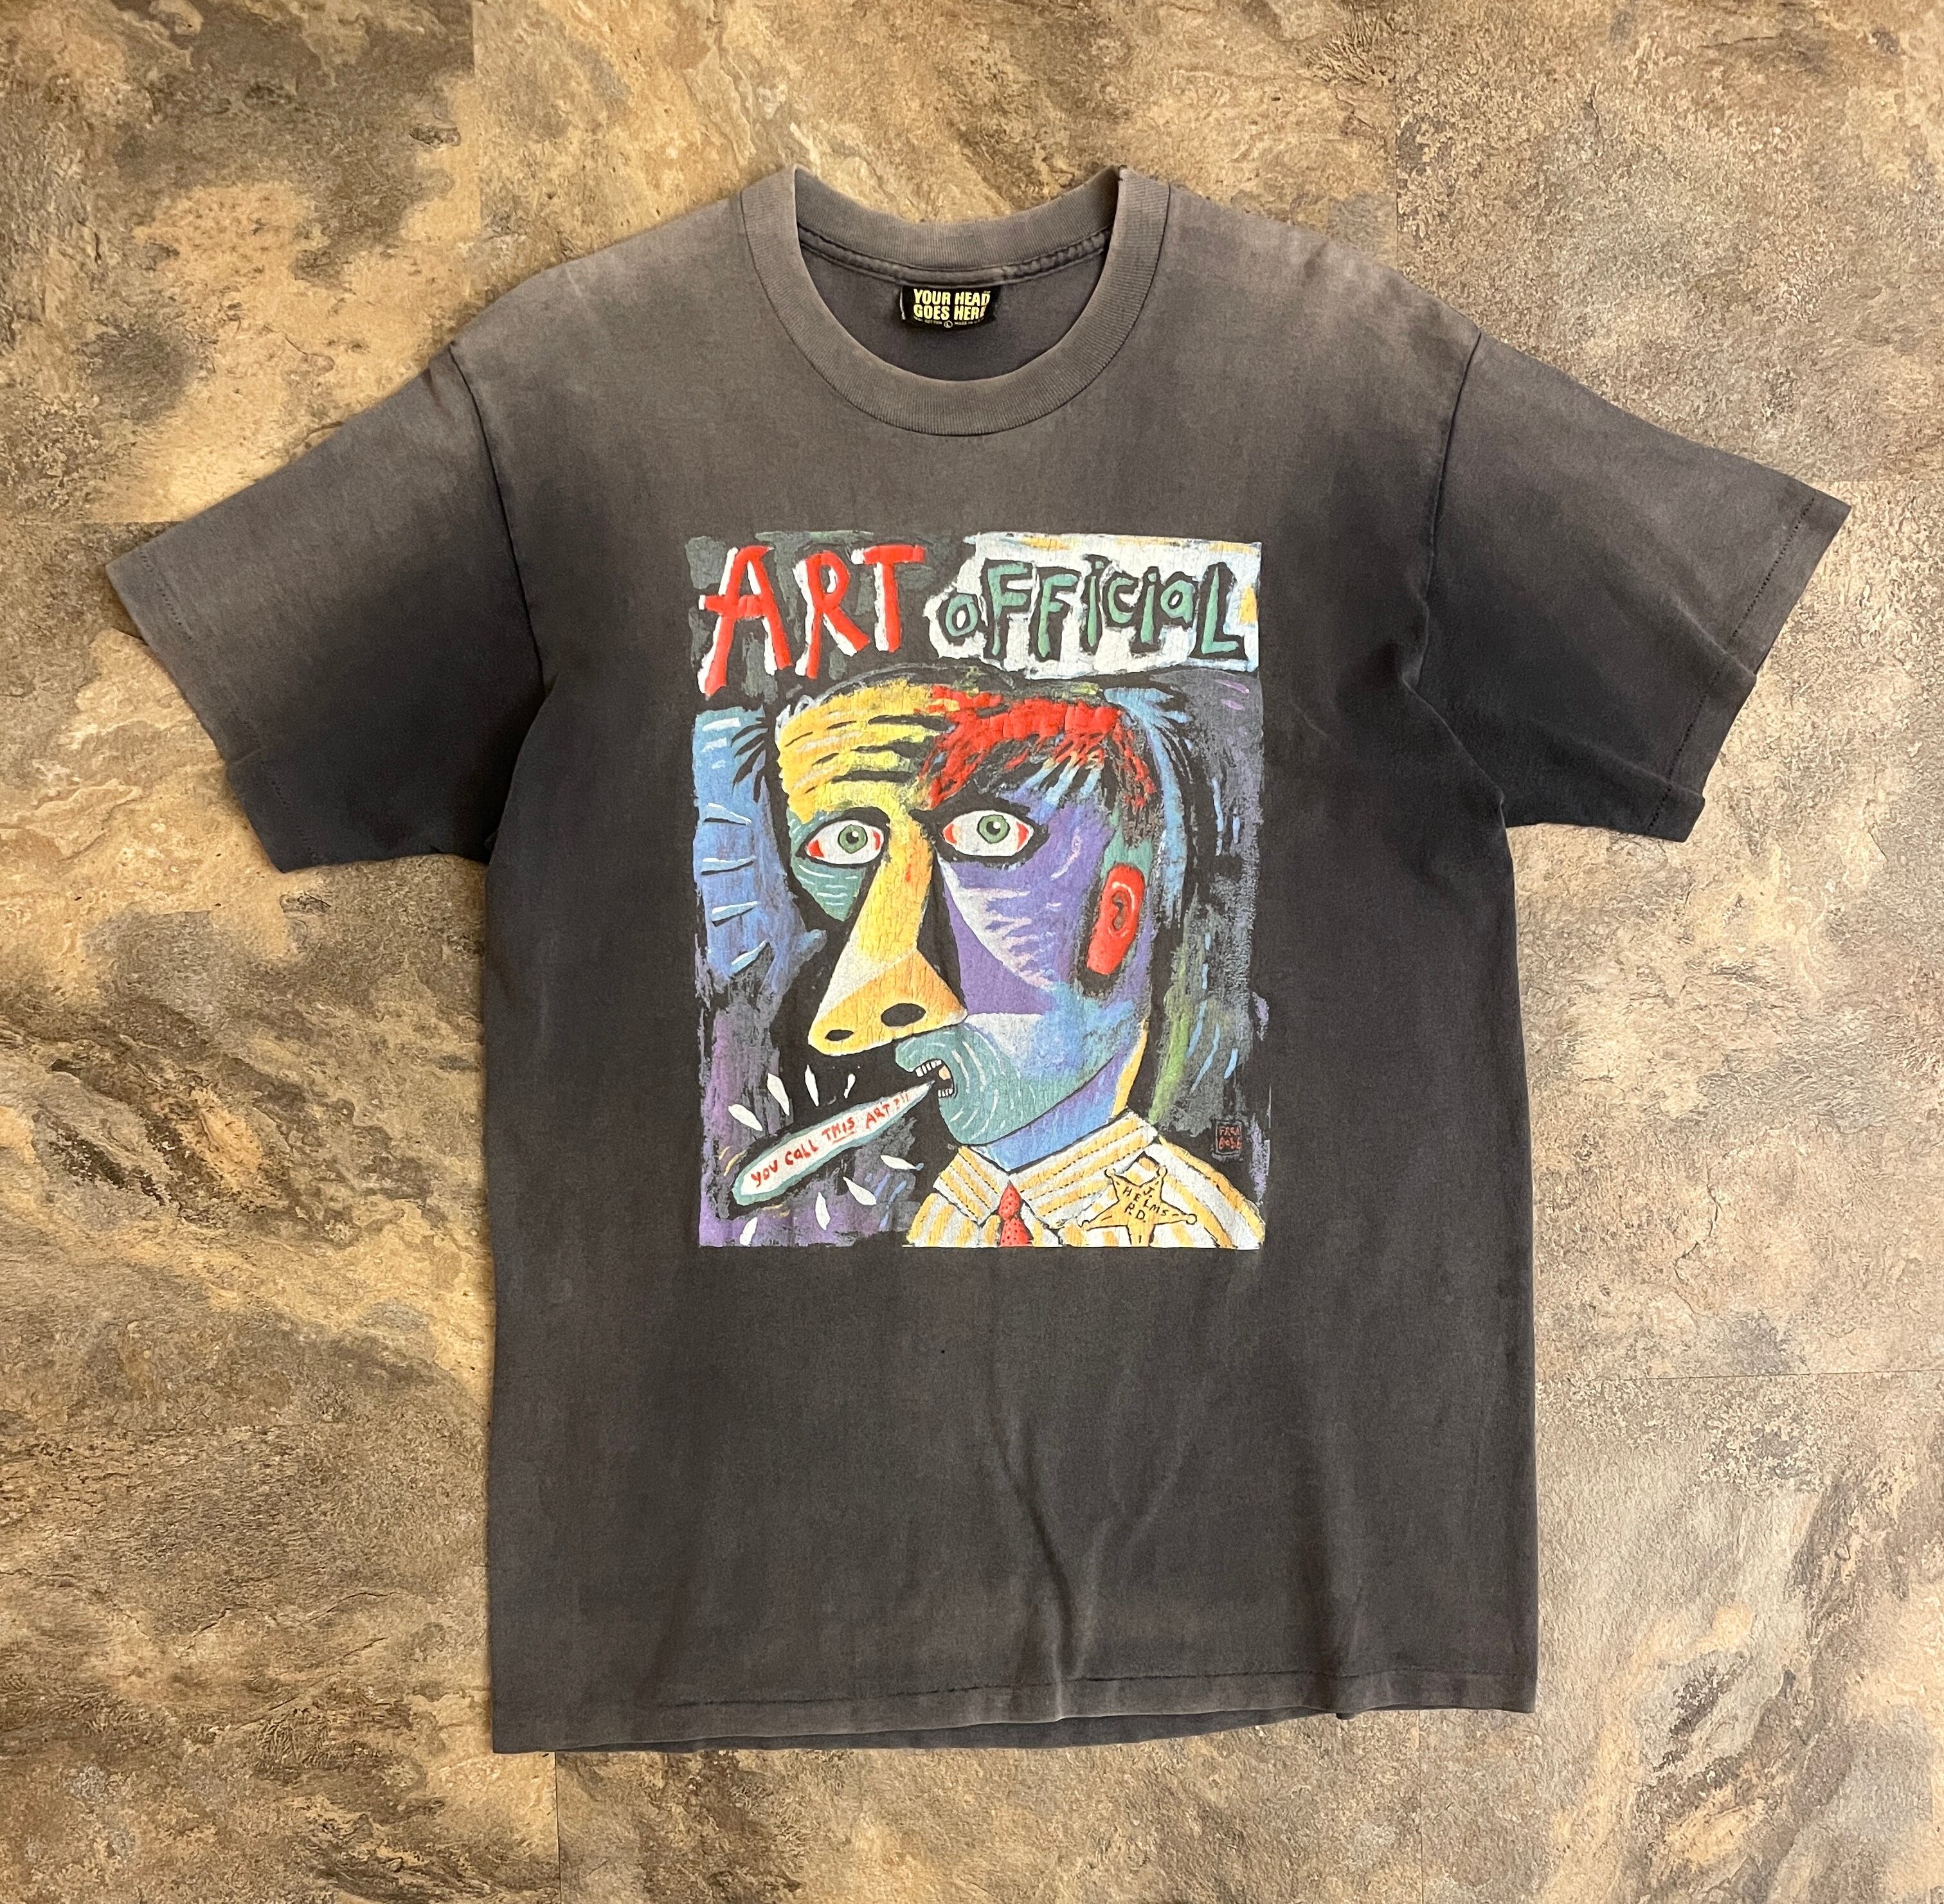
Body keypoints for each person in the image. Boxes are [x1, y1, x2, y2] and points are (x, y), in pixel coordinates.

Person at [773, 667, 1263, 1246]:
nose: (858, 1002)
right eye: (846, 843)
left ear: (1117, 915)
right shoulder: (936, 1227)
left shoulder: (1206, 1233)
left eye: (988, 832)